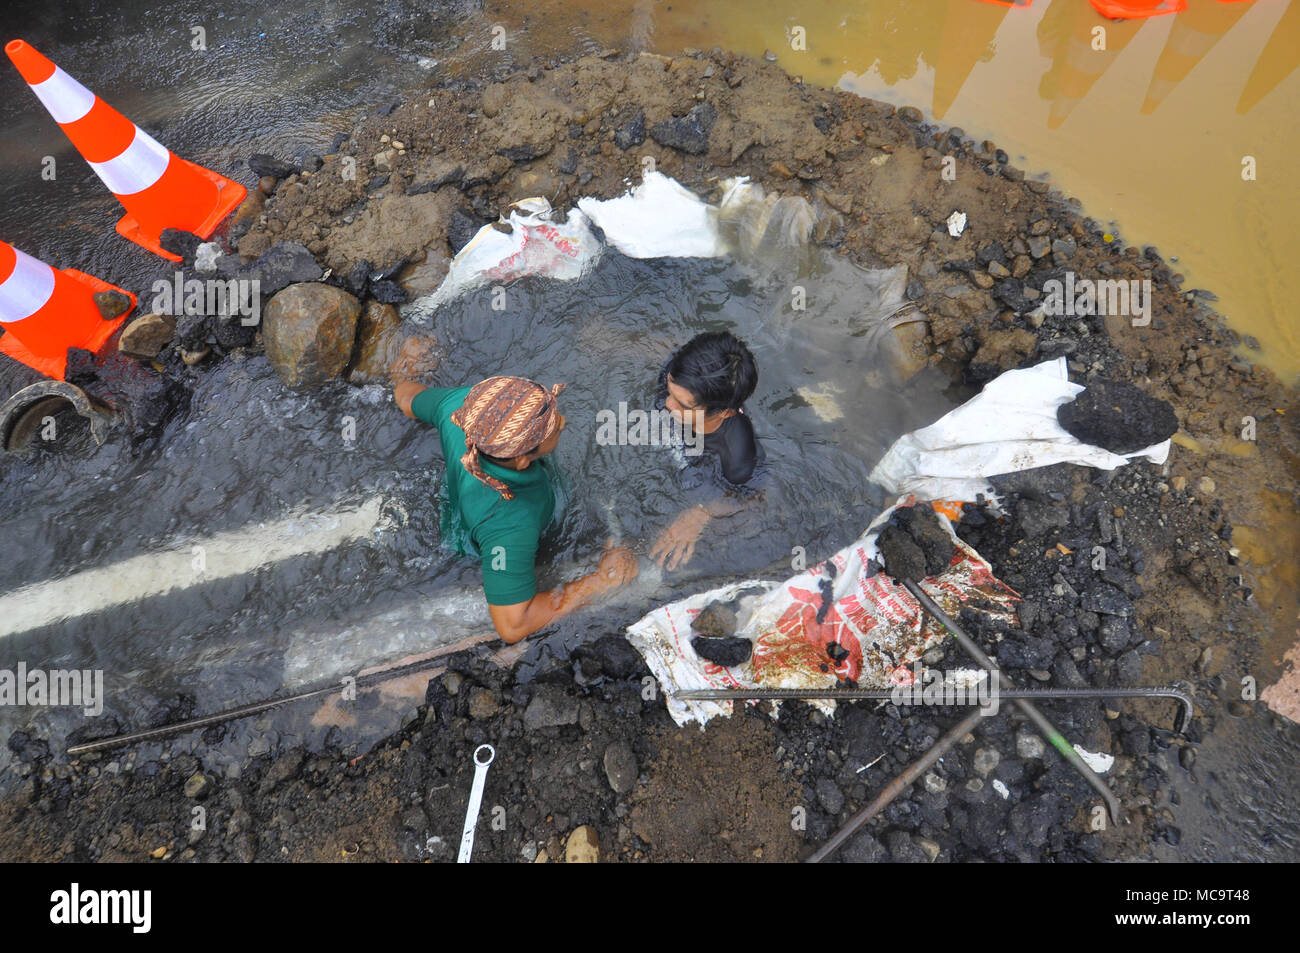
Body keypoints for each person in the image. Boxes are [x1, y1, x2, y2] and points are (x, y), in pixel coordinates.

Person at [394, 371, 639, 644]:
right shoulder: (509, 524)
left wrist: (407, 368)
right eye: (553, 428)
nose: (564, 422)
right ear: (522, 461)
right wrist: (599, 582)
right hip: (487, 543)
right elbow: (512, 625)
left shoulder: (466, 407)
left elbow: (406, 397)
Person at [649, 331, 764, 570]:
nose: (667, 405)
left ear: (723, 412)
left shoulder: (736, 457)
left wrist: (701, 513)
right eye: (669, 390)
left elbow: (752, 498)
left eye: (682, 405)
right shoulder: (681, 374)